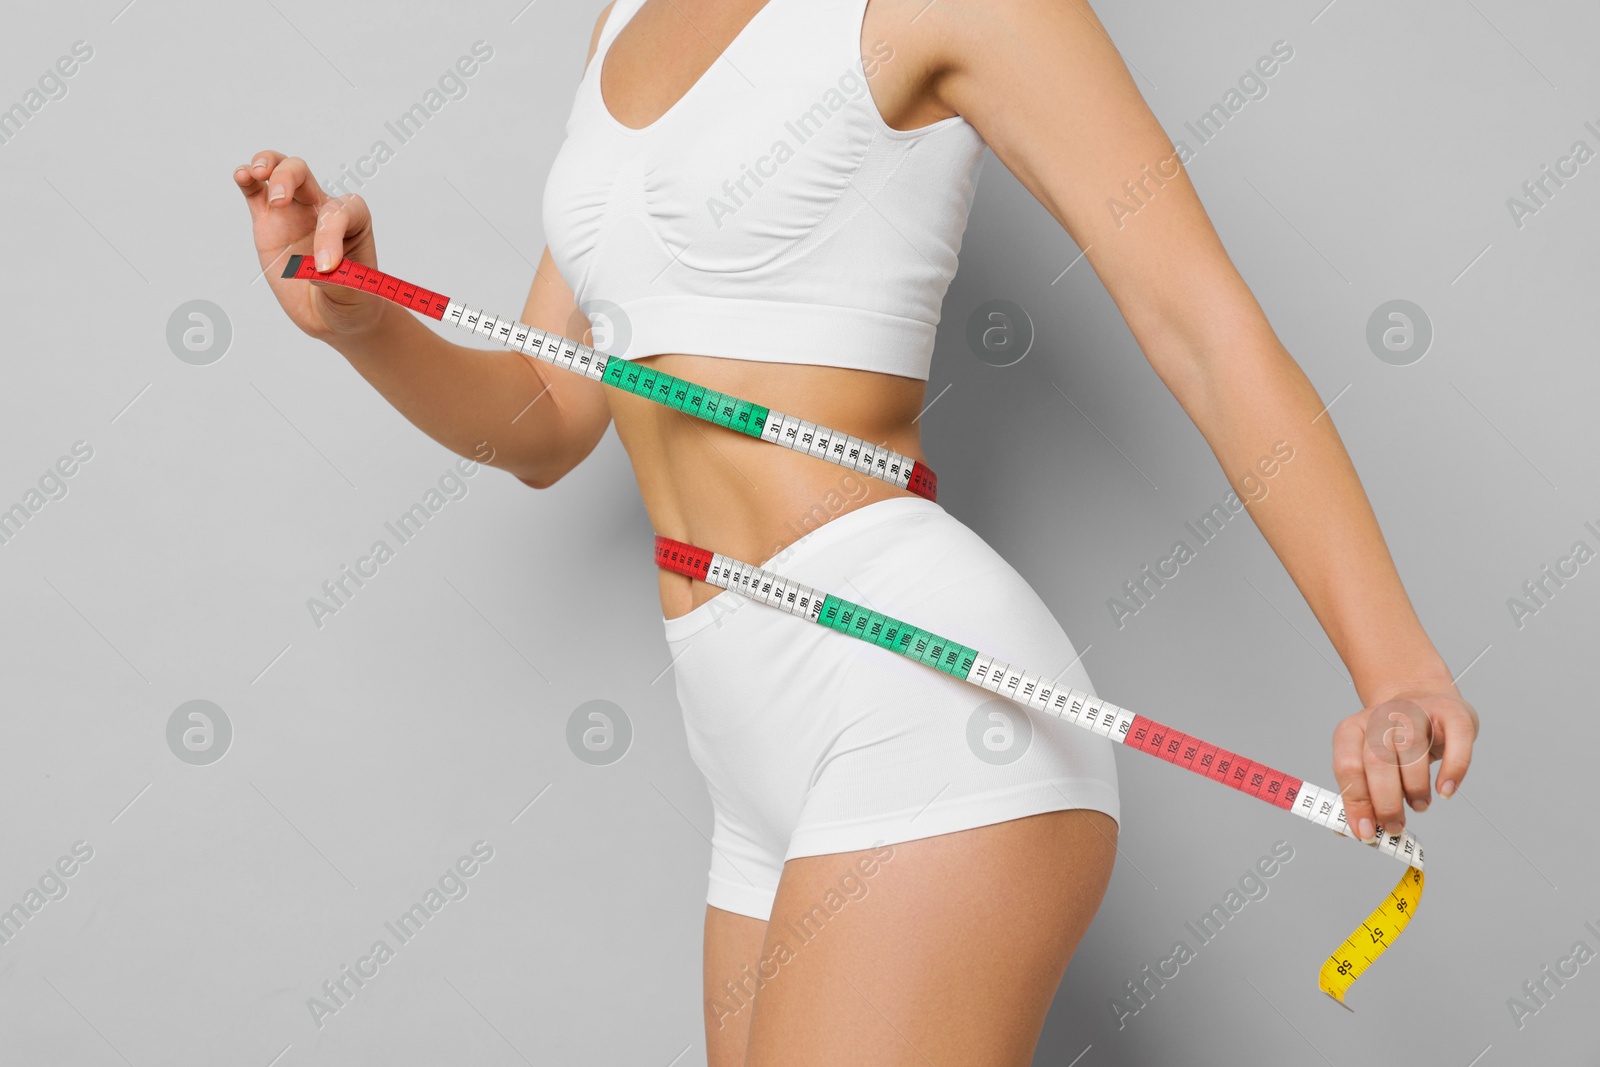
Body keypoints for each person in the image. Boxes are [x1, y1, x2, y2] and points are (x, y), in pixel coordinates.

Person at [232, 0, 1479, 1062]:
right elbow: (554, 418)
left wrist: (1397, 671)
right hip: (742, 741)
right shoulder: (623, 19)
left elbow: (1201, 331)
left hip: (914, 692)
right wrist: (363, 323)